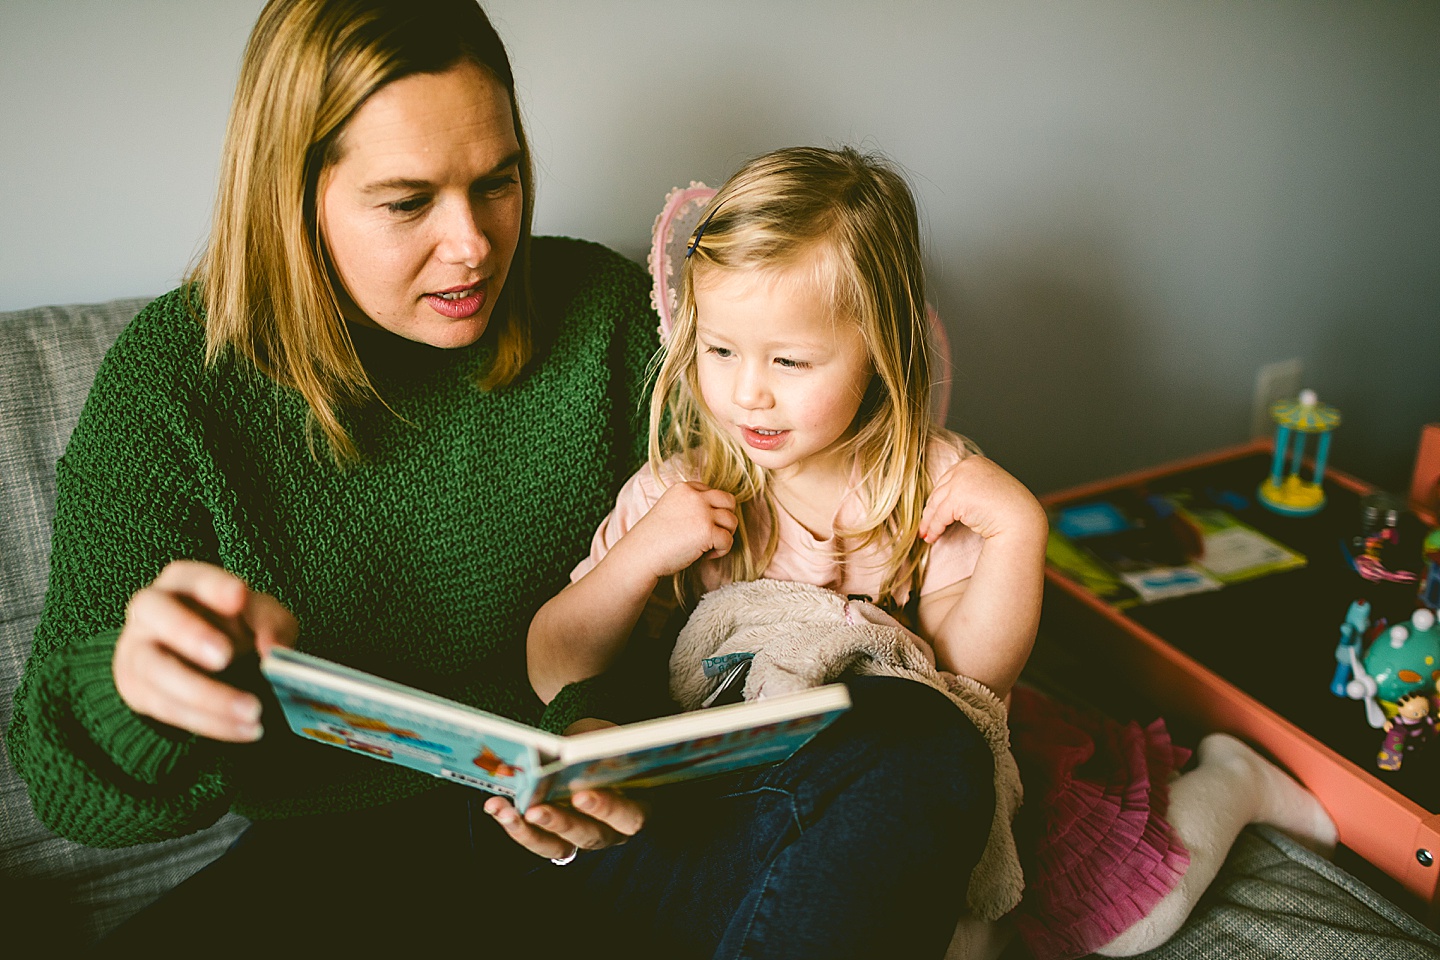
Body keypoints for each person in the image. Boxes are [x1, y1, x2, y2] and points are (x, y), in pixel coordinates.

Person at [6, 3, 992, 957]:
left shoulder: (604, 318)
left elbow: (787, 504)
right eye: (408, 202)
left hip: (596, 842)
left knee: (918, 743)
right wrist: (138, 688)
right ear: (291, 191)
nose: (474, 243)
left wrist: (598, 741)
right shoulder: (175, 385)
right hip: (331, 863)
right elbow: (67, 791)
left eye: (500, 180)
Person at [527, 145, 1338, 960]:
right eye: (722, 351)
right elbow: (554, 666)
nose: (748, 393)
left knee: (1130, 927)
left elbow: (970, 687)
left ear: (877, 351)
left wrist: (1019, 532)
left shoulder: (927, 484)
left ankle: (1232, 782)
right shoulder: (679, 491)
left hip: (917, 781)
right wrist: (639, 557)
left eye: (790, 361)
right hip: (765, 793)